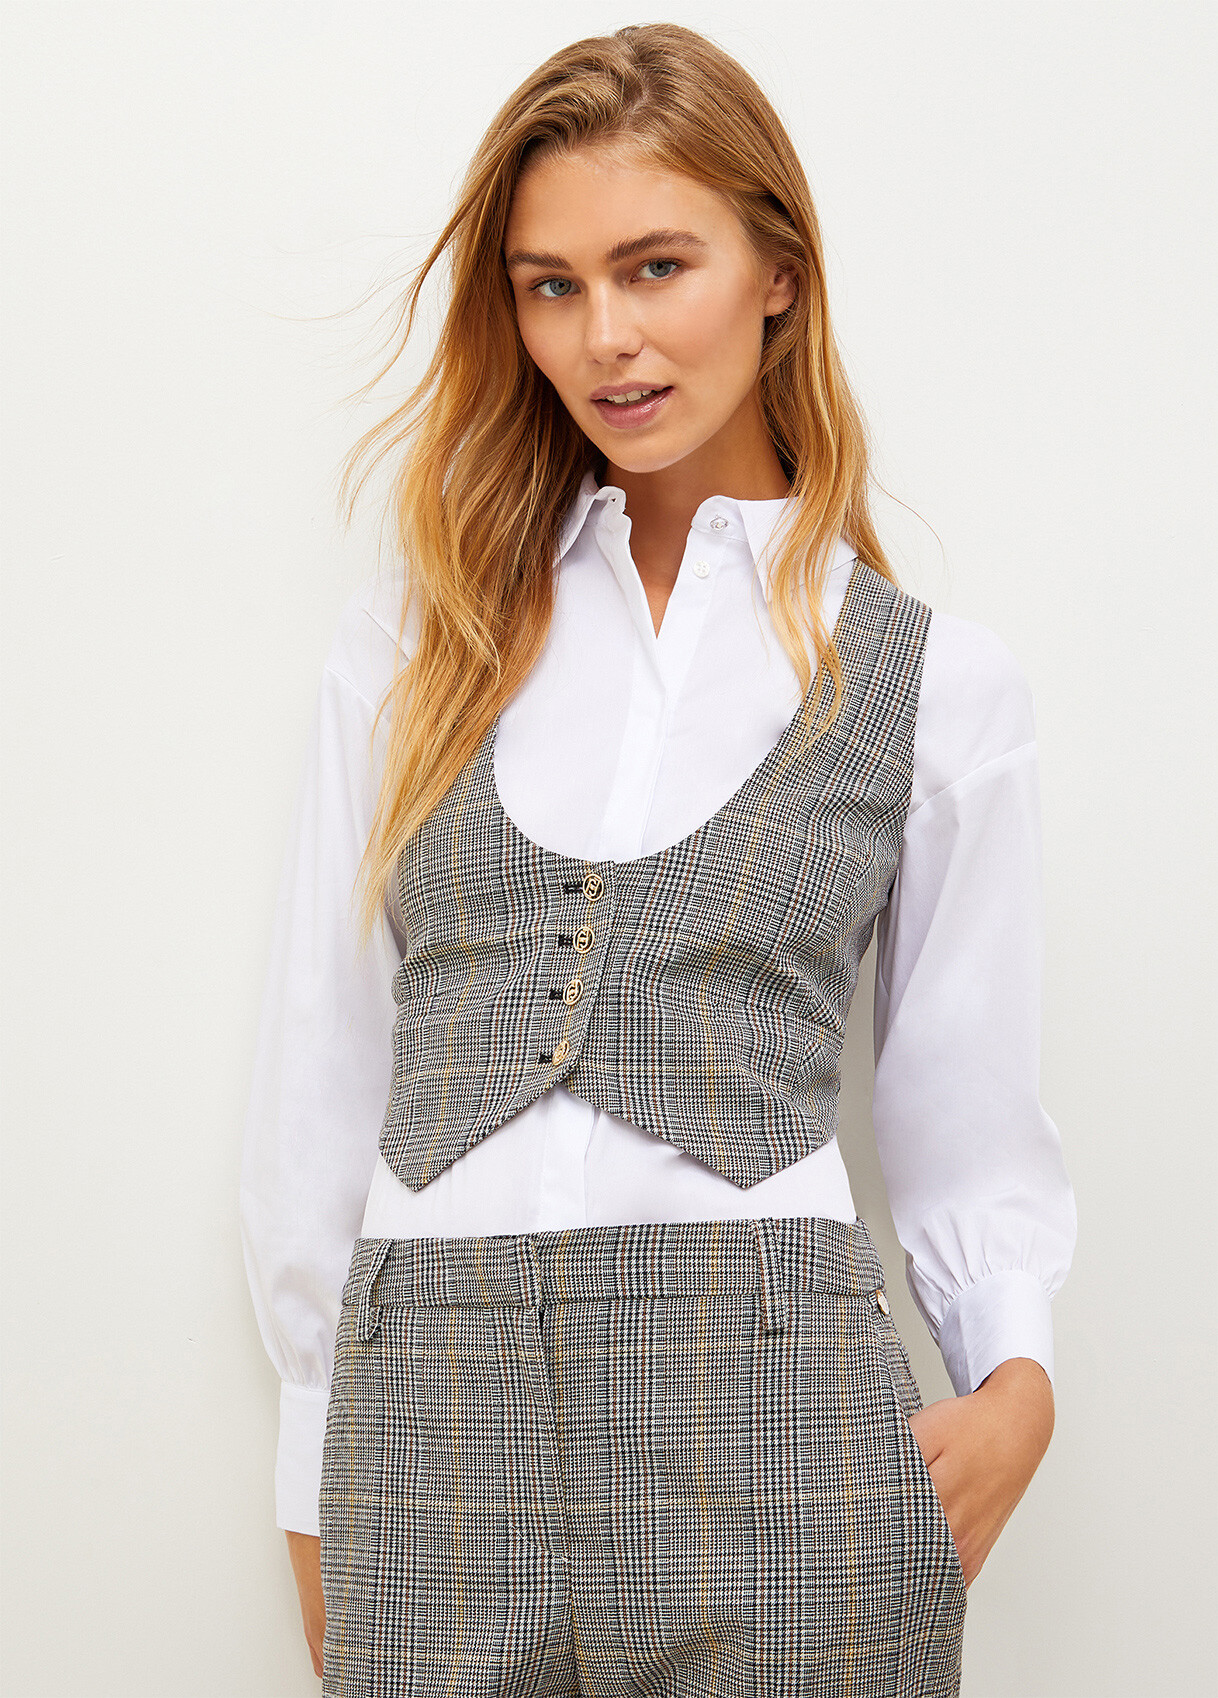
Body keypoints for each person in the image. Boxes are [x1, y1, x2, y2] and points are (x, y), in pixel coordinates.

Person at [239, 21, 1077, 1695]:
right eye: (549, 286)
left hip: (781, 1423)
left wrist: (1014, 1391)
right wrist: (313, 1468)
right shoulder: (415, 642)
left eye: (653, 266)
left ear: (777, 274)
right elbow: (321, 1068)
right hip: (431, 1431)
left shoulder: (932, 682)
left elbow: (962, 1097)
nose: (602, 337)